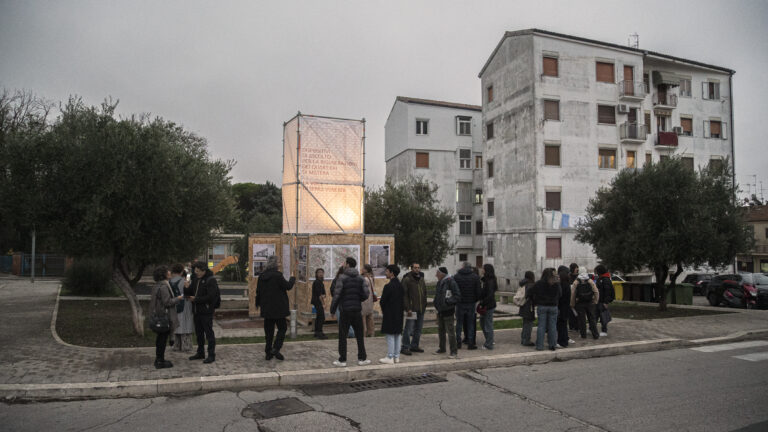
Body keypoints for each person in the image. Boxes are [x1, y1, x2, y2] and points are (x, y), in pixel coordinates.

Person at [330, 257, 370, 367]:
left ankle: (342, 360)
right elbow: (366, 294)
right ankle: (362, 359)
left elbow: (336, 295)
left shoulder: (342, 278)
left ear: (347, 264)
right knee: (359, 335)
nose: (343, 264)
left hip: (345, 310)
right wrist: (358, 300)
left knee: (343, 335)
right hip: (357, 310)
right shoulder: (361, 278)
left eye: (344, 262)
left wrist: (332, 310)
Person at [255, 255, 296, 361]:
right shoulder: (278, 276)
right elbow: (288, 286)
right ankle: (276, 348)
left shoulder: (262, 276)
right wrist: (292, 278)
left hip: (267, 308)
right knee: (282, 328)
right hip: (278, 309)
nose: (279, 264)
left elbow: (258, 291)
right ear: (275, 264)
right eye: (278, 262)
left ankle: (268, 352)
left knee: (268, 332)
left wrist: (258, 304)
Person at [187, 261, 220, 364]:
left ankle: (211, 355)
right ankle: (200, 352)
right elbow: (190, 292)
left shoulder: (211, 280)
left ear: (203, 270)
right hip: (197, 311)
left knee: (209, 333)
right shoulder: (196, 279)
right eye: (195, 271)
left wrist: (196, 299)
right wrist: (186, 287)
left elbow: (210, 297)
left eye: (198, 271)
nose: (196, 273)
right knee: (199, 333)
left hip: (206, 311)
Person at [150, 265, 182, 369]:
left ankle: (159, 359)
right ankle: (160, 361)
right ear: (163, 274)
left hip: (159, 316)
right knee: (162, 339)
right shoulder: (163, 286)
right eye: (167, 271)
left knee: (160, 339)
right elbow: (167, 302)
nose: (170, 272)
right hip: (164, 317)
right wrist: (178, 298)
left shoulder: (157, 285)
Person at [379, 264, 405, 364]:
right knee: (397, 335)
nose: (386, 273)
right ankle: (396, 356)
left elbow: (383, 301)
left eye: (387, 271)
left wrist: (384, 310)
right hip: (399, 313)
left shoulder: (388, 286)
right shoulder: (400, 285)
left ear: (391, 273)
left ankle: (390, 357)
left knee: (390, 335)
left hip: (389, 314)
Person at [433, 267, 461, 358]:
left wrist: (448, 302)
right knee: (441, 331)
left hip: (448, 310)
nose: (436, 275)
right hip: (440, 310)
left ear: (442, 274)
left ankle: (454, 351)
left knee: (450, 332)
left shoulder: (450, 282)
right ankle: (442, 348)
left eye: (437, 273)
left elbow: (457, 296)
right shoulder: (439, 282)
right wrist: (436, 305)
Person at [454, 261, 482, 350]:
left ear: (462, 267)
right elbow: (478, 292)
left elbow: (454, 290)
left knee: (459, 323)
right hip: (471, 303)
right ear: (470, 268)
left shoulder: (456, 277)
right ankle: (470, 343)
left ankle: (458, 342)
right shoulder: (475, 277)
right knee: (470, 324)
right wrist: (475, 300)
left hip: (459, 303)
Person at [532, 267, 561, 351]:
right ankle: (552, 345)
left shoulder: (539, 283)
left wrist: (537, 300)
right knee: (552, 326)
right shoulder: (556, 283)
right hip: (553, 306)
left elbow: (532, 292)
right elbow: (560, 294)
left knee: (541, 326)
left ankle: (539, 346)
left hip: (542, 306)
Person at [401, 263, 427, 354]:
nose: (417, 269)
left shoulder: (421, 279)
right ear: (411, 268)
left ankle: (414, 345)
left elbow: (424, 292)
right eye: (415, 268)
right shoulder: (407, 279)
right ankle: (405, 346)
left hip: (421, 309)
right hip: (411, 309)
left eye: (418, 268)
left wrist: (424, 305)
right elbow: (404, 295)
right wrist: (408, 308)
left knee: (418, 329)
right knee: (408, 328)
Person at [170, 264, 194, 352]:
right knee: (186, 324)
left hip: (174, 305)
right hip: (185, 305)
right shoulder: (185, 281)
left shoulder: (169, 281)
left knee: (176, 325)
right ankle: (186, 346)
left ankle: (176, 345)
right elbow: (190, 293)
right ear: (181, 272)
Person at [570, 272, 600, 340]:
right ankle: (595, 335)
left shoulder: (576, 281)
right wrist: (595, 301)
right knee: (592, 319)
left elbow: (573, 293)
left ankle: (583, 335)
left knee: (582, 320)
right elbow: (596, 291)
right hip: (590, 302)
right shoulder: (590, 281)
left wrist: (572, 304)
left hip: (580, 303)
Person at [331, 266, 355, 339]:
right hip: (343, 302)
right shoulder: (337, 280)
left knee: (343, 320)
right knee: (343, 319)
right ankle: (347, 334)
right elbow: (333, 291)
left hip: (344, 303)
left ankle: (350, 333)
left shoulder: (348, 280)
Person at [479, 264, 498, 350]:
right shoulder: (486, 280)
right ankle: (489, 340)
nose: (481, 269)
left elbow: (490, 295)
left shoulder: (490, 281)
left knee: (487, 325)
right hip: (486, 304)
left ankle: (489, 344)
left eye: (483, 268)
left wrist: (483, 302)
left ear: (486, 270)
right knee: (483, 323)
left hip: (488, 305)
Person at [594, 264, 614, 337]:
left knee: (603, 317)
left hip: (602, 301)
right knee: (595, 315)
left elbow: (607, 291)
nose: (595, 273)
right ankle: (592, 328)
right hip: (599, 300)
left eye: (596, 271)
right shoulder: (601, 278)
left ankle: (604, 331)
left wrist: (606, 302)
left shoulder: (605, 279)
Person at [556, 266, 574, 348]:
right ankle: (565, 340)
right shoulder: (567, 284)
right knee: (563, 324)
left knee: (561, 325)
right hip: (566, 307)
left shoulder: (562, 285)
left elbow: (560, 297)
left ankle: (562, 342)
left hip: (562, 307)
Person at [518, 271, 536, 346]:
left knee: (525, 323)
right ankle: (526, 340)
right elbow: (531, 296)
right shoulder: (531, 285)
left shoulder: (522, 283)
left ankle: (523, 339)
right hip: (529, 306)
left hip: (523, 305)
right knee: (529, 324)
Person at [311, 268, 328, 339]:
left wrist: (323, 296)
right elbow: (320, 295)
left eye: (322, 272)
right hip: (317, 302)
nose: (321, 274)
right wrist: (323, 304)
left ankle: (317, 332)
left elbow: (324, 294)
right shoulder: (317, 282)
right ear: (316, 274)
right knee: (321, 317)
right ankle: (319, 332)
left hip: (319, 301)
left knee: (319, 317)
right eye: (319, 272)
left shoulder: (321, 282)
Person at [361, 264, 376, 337]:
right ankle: (371, 332)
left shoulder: (365, 279)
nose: (361, 269)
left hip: (365, 300)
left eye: (363, 268)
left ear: (366, 270)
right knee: (370, 317)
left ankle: (363, 332)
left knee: (363, 317)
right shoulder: (371, 278)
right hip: (370, 300)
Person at [568, 263, 580, 331]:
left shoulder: (578, 277)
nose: (577, 269)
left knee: (577, 312)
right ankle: (571, 326)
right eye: (576, 268)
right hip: (570, 296)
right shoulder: (569, 276)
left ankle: (577, 326)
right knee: (571, 312)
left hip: (577, 296)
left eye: (577, 267)